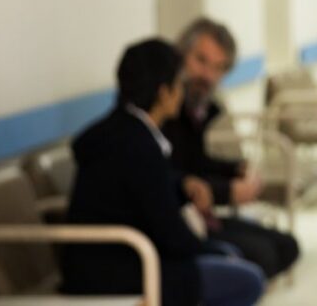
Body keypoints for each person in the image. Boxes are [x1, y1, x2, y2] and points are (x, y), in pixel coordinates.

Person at [62, 38, 265, 306]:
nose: (182, 92)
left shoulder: (121, 131)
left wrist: (182, 184)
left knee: (228, 256)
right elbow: (172, 234)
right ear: (163, 92)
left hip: (103, 263)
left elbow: (143, 189)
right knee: (247, 279)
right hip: (120, 270)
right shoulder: (138, 145)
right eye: (179, 84)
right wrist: (210, 250)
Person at [161, 17, 300, 279]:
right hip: (180, 223)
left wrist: (236, 170)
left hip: (200, 214)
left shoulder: (201, 108)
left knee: (287, 246)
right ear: (180, 56)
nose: (207, 76)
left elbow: (194, 162)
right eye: (200, 61)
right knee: (263, 258)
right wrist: (226, 192)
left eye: (218, 68)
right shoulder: (162, 112)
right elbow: (171, 176)